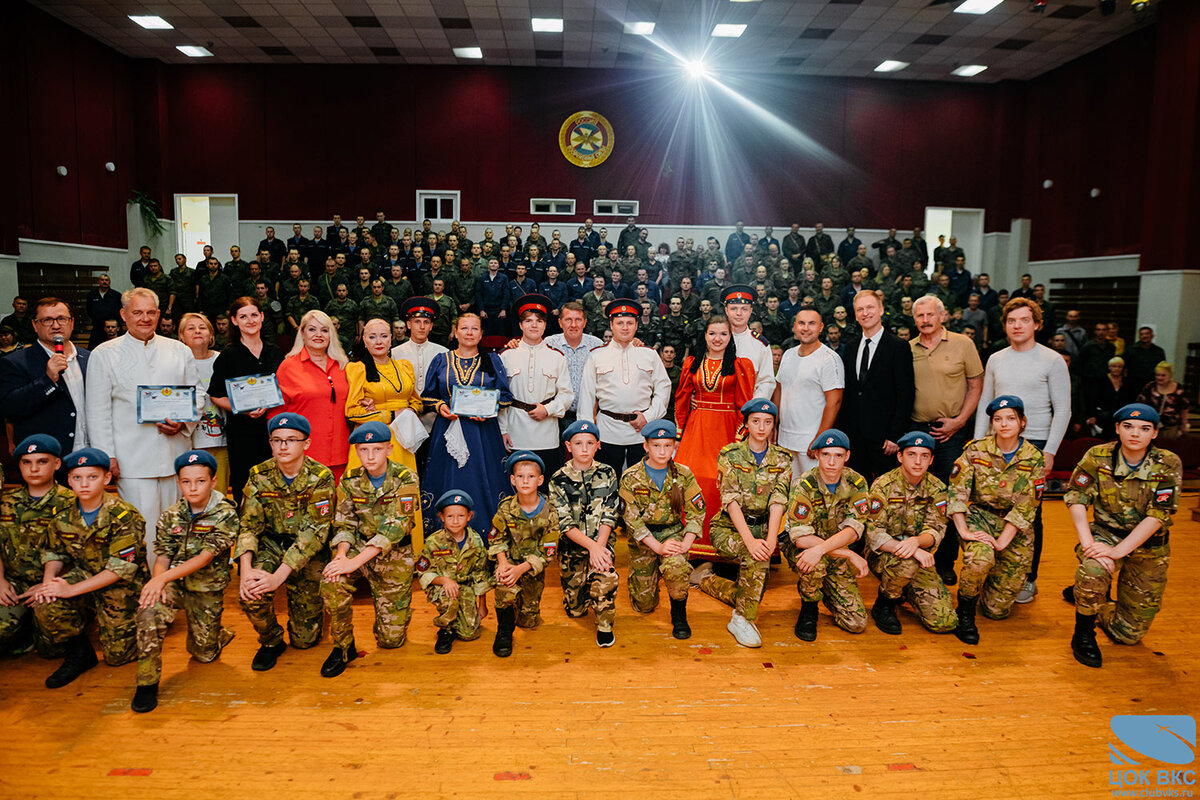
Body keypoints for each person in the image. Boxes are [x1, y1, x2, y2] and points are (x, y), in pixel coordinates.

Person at [23, 448, 155, 708]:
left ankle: (106, 624)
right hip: (84, 575)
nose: (84, 484)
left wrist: (71, 591)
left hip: (121, 587)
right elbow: (54, 551)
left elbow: (120, 569)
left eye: (92, 477)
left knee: (118, 656)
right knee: (45, 601)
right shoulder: (63, 514)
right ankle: (79, 651)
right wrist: (50, 581)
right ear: (69, 480)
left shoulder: (125, 516)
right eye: (77, 478)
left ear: (106, 479)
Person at [1063, 403, 1181, 668]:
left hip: (1149, 547)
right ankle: (1083, 632)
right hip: (1105, 534)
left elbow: (1158, 515)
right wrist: (1089, 545)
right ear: (1117, 428)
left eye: (1144, 428)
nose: (1135, 433)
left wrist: (1119, 552)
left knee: (1129, 635)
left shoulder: (1168, 462)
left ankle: (1095, 601)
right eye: (1128, 426)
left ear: (1155, 434)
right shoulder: (1098, 455)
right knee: (1093, 571)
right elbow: (1076, 497)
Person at [85, 288, 198, 563]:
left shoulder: (179, 350)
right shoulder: (104, 354)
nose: (145, 318)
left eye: (150, 312)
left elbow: (197, 395)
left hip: (175, 454)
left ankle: (172, 584)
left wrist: (183, 423)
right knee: (143, 528)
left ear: (159, 315)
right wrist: (106, 455)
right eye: (137, 312)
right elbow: (97, 410)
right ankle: (149, 590)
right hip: (131, 458)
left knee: (177, 526)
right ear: (124, 315)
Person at [973, 298, 1071, 605]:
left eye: (1024, 320)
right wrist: (977, 445)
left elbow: (1064, 410)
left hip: (1036, 444)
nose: (1017, 325)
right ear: (1005, 325)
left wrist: (1050, 451)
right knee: (992, 507)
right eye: (1012, 320)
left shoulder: (1053, 360)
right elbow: (983, 404)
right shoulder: (996, 358)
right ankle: (996, 571)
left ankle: (1028, 578)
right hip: (996, 444)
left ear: (1037, 324)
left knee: (1030, 514)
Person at [133, 449, 238, 713]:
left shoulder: (226, 514)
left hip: (206, 588)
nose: (193, 488)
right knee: (148, 611)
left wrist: (163, 578)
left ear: (213, 481)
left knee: (204, 654)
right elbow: (163, 556)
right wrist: (158, 584)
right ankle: (146, 683)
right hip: (175, 583)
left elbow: (204, 557)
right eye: (186, 482)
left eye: (200, 481)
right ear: (178, 482)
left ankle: (216, 634)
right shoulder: (171, 514)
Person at [319, 422, 421, 677]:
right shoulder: (350, 479)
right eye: (364, 450)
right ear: (357, 451)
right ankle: (343, 646)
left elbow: (395, 527)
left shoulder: (406, 477)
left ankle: (392, 619)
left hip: (394, 556)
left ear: (389, 449)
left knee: (391, 640)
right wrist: (341, 555)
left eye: (376, 449)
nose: (370, 456)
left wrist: (353, 562)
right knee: (333, 579)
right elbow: (344, 522)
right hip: (357, 549)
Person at [236, 413, 335, 672]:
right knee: (251, 591)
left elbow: (315, 533)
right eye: (276, 440)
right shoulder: (259, 475)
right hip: (271, 545)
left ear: (306, 444)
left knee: (304, 641)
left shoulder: (320, 477)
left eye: (291, 440)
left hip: (309, 552)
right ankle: (270, 641)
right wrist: (245, 571)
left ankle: (313, 610)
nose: (283, 446)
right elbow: (248, 526)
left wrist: (278, 578)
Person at [692, 399, 791, 648]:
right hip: (728, 529)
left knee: (754, 587)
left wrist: (770, 540)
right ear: (746, 423)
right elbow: (731, 501)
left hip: (764, 528)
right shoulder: (730, 454)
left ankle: (705, 580)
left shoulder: (783, 458)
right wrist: (750, 540)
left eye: (767, 422)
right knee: (756, 559)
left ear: (773, 426)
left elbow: (778, 499)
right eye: (756, 421)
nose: (761, 427)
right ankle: (741, 619)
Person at [948, 396, 1045, 645]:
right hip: (980, 518)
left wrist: (1002, 542)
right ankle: (965, 611)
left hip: (1015, 530)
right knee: (980, 559)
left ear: (1022, 422)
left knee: (996, 611)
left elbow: (1026, 506)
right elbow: (956, 493)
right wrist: (965, 532)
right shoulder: (976, 450)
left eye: (1011, 418)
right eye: (998, 419)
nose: (1004, 424)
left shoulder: (1033, 457)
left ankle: (990, 583)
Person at [909, 294, 984, 585]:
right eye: (920, 316)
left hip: (951, 433)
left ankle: (945, 561)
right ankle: (916, 554)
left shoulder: (963, 344)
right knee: (916, 499)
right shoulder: (908, 348)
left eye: (930, 315)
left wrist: (960, 420)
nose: (925, 321)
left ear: (943, 317)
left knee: (949, 499)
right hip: (915, 434)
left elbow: (976, 385)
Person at [422, 314, 513, 534]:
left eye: (474, 329)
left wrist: (490, 409)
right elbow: (427, 397)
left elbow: (507, 396)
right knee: (448, 479)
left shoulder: (493, 360)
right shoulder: (441, 360)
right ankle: (443, 537)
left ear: (481, 334)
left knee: (483, 479)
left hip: (482, 432)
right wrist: (440, 407)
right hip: (447, 431)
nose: (469, 333)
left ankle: (487, 534)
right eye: (464, 328)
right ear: (455, 332)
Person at [674, 315, 755, 552]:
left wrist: (740, 438)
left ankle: (722, 544)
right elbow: (681, 401)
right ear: (705, 336)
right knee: (690, 479)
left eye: (723, 334)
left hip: (726, 429)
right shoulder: (692, 363)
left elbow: (746, 404)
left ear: (730, 337)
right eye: (712, 333)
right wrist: (678, 436)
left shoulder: (741, 365)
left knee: (722, 481)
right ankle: (691, 544)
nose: (717, 339)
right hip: (696, 428)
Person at [781, 429, 871, 641]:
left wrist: (824, 549)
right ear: (817, 455)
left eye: (838, 455)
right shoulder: (804, 484)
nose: (832, 462)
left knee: (856, 623)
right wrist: (849, 555)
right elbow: (801, 538)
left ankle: (828, 591)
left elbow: (853, 531)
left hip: (832, 551)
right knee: (815, 563)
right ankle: (809, 609)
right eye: (826, 455)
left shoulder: (857, 483)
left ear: (847, 456)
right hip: (802, 548)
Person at [864, 431, 957, 636]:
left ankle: (904, 588)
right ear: (900, 457)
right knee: (908, 562)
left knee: (944, 622)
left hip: (920, 556)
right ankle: (885, 602)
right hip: (884, 554)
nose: (918, 461)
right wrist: (913, 549)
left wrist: (915, 542)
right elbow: (874, 533)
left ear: (931, 459)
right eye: (911, 454)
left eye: (924, 456)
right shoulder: (883, 485)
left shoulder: (938, 488)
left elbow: (936, 530)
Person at [619, 420, 702, 640]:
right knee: (643, 605)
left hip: (673, 534)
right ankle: (648, 577)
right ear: (645, 446)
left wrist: (685, 544)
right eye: (656, 445)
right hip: (644, 540)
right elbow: (632, 520)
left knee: (676, 567)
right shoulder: (631, 477)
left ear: (674, 446)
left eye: (667, 445)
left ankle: (679, 614)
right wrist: (657, 547)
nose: (662, 451)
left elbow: (696, 512)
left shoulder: (683, 474)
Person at [0, 435, 76, 657]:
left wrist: (48, 584)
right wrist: (1, 580)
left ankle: (37, 630)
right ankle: (22, 628)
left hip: (57, 583)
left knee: (52, 649)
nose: (33, 469)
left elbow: (84, 556)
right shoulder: (6, 502)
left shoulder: (71, 502)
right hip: (13, 584)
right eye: (26, 462)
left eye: (42, 461)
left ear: (57, 464)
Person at [577, 302, 673, 476]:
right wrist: (588, 434)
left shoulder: (649, 354)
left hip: (642, 431)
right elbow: (586, 396)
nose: (625, 328)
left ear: (636, 325)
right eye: (620, 323)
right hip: (607, 431)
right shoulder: (596, 355)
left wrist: (648, 416)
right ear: (611, 325)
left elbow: (664, 388)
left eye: (630, 323)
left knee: (641, 485)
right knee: (607, 484)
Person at [207, 297, 286, 503]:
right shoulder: (228, 355)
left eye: (253, 315)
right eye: (243, 316)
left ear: (261, 317)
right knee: (246, 483)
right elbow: (215, 394)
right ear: (234, 320)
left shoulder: (275, 352)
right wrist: (242, 409)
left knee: (276, 482)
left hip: (274, 430)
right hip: (242, 433)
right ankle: (247, 530)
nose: (249, 321)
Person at [549, 420, 620, 647]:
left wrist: (600, 547)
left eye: (590, 443)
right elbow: (565, 522)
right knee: (576, 611)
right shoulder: (558, 479)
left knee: (606, 575)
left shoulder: (607, 473)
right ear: (568, 446)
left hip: (602, 542)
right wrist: (591, 547)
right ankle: (580, 594)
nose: (584, 448)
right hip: (573, 547)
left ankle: (604, 625)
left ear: (598, 445)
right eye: (578, 443)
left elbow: (610, 513)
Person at [837, 290, 914, 483]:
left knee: (884, 491)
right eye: (860, 309)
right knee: (856, 489)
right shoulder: (851, 347)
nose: (865, 313)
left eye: (870, 307)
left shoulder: (898, 347)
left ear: (881, 310)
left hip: (885, 438)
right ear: (855, 315)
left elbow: (906, 394)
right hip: (855, 437)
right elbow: (849, 393)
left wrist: (895, 435)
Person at [488, 451, 559, 657]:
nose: (525, 481)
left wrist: (522, 569)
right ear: (512, 479)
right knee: (504, 582)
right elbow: (496, 539)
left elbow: (548, 552)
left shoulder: (549, 512)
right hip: (510, 563)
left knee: (528, 621)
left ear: (540, 480)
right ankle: (504, 629)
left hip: (532, 569)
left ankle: (522, 608)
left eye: (530, 477)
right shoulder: (505, 508)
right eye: (520, 476)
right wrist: (502, 563)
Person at [0, 297, 91, 457]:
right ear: (35, 325)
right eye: (47, 320)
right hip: (47, 459)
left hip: (89, 455)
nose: (56, 325)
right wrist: (47, 380)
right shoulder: (15, 362)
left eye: (61, 319)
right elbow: (10, 408)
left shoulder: (90, 358)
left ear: (72, 322)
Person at [499, 295, 574, 477]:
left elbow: (566, 395)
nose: (534, 325)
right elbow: (500, 396)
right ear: (520, 325)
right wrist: (502, 430)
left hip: (546, 434)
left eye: (539, 321)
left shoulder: (556, 357)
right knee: (516, 483)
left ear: (545, 325)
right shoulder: (506, 355)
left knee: (546, 482)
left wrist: (547, 410)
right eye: (528, 321)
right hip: (515, 431)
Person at [274, 310, 351, 481]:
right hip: (303, 456)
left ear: (331, 335)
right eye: (312, 329)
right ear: (302, 333)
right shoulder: (288, 367)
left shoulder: (343, 365)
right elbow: (276, 416)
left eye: (324, 330)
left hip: (342, 454)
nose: (318, 335)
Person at [344, 318, 424, 475]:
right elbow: (352, 411)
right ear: (364, 341)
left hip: (403, 437)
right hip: (372, 439)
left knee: (403, 488)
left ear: (391, 339)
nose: (378, 341)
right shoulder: (357, 369)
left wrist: (409, 412)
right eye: (372, 337)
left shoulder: (404, 366)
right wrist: (391, 414)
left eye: (384, 336)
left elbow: (416, 402)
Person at [418, 490, 491, 655]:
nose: (456, 521)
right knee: (449, 597)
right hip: (442, 588)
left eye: (460, 516)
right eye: (450, 516)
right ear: (442, 517)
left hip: (465, 589)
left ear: (469, 516)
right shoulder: (433, 542)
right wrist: (444, 581)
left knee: (469, 634)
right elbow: (424, 572)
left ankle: (458, 619)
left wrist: (482, 605)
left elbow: (480, 574)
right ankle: (445, 629)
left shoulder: (476, 541)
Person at [774, 308, 844, 475]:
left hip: (811, 443)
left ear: (821, 327)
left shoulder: (829, 358)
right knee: (788, 492)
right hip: (785, 439)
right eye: (802, 323)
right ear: (795, 326)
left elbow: (834, 402)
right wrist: (773, 426)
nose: (806, 328)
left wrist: (819, 439)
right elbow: (779, 390)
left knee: (811, 495)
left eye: (811, 324)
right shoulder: (788, 354)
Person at [391, 297, 449, 474]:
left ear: (431, 326)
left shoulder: (443, 352)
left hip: (435, 419)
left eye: (426, 322)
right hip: (404, 418)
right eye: (417, 322)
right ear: (408, 324)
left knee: (434, 467)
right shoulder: (394, 353)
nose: (422, 326)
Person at [179, 313, 229, 494]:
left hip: (220, 441)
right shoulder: (176, 362)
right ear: (181, 337)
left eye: (202, 327)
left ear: (211, 335)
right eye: (191, 328)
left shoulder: (223, 359)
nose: (197, 331)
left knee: (219, 494)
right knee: (191, 494)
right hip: (187, 441)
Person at [722, 285, 774, 400]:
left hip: (749, 407)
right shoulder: (715, 340)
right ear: (726, 310)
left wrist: (752, 408)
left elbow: (766, 381)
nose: (739, 313)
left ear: (750, 311)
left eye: (744, 309)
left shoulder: (760, 344)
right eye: (734, 308)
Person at [1138, 362, 1190, 439]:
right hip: (1151, 425)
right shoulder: (1150, 387)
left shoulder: (1178, 388)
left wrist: (1184, 423)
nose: (1159, 377)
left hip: (1171, 426)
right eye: (1157, 375)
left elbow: (1184, 407)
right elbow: (1140, 405)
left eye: (1163, 375)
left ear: (1170, 376)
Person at [86, 274, 122, 350]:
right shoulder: (92, 295)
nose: (104, 282)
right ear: (98, 281)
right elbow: (89, 310)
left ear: (110, 282)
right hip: (97, 327)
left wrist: (113, 324)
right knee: (94, 349)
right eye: (102, 280)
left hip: (111, 327)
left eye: (106, 280)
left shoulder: (116, 295)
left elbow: (120, 311)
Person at [1124, 326, 1167, 391]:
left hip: (1152, 385)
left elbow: (1163, 368)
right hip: (1133, 385)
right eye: (1142, 334)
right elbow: (1124, 367)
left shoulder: (1159, 351)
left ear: (1152, 336)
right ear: (1139, 336)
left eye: (1147, 334)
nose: (1144, 336)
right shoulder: (1130, 350)